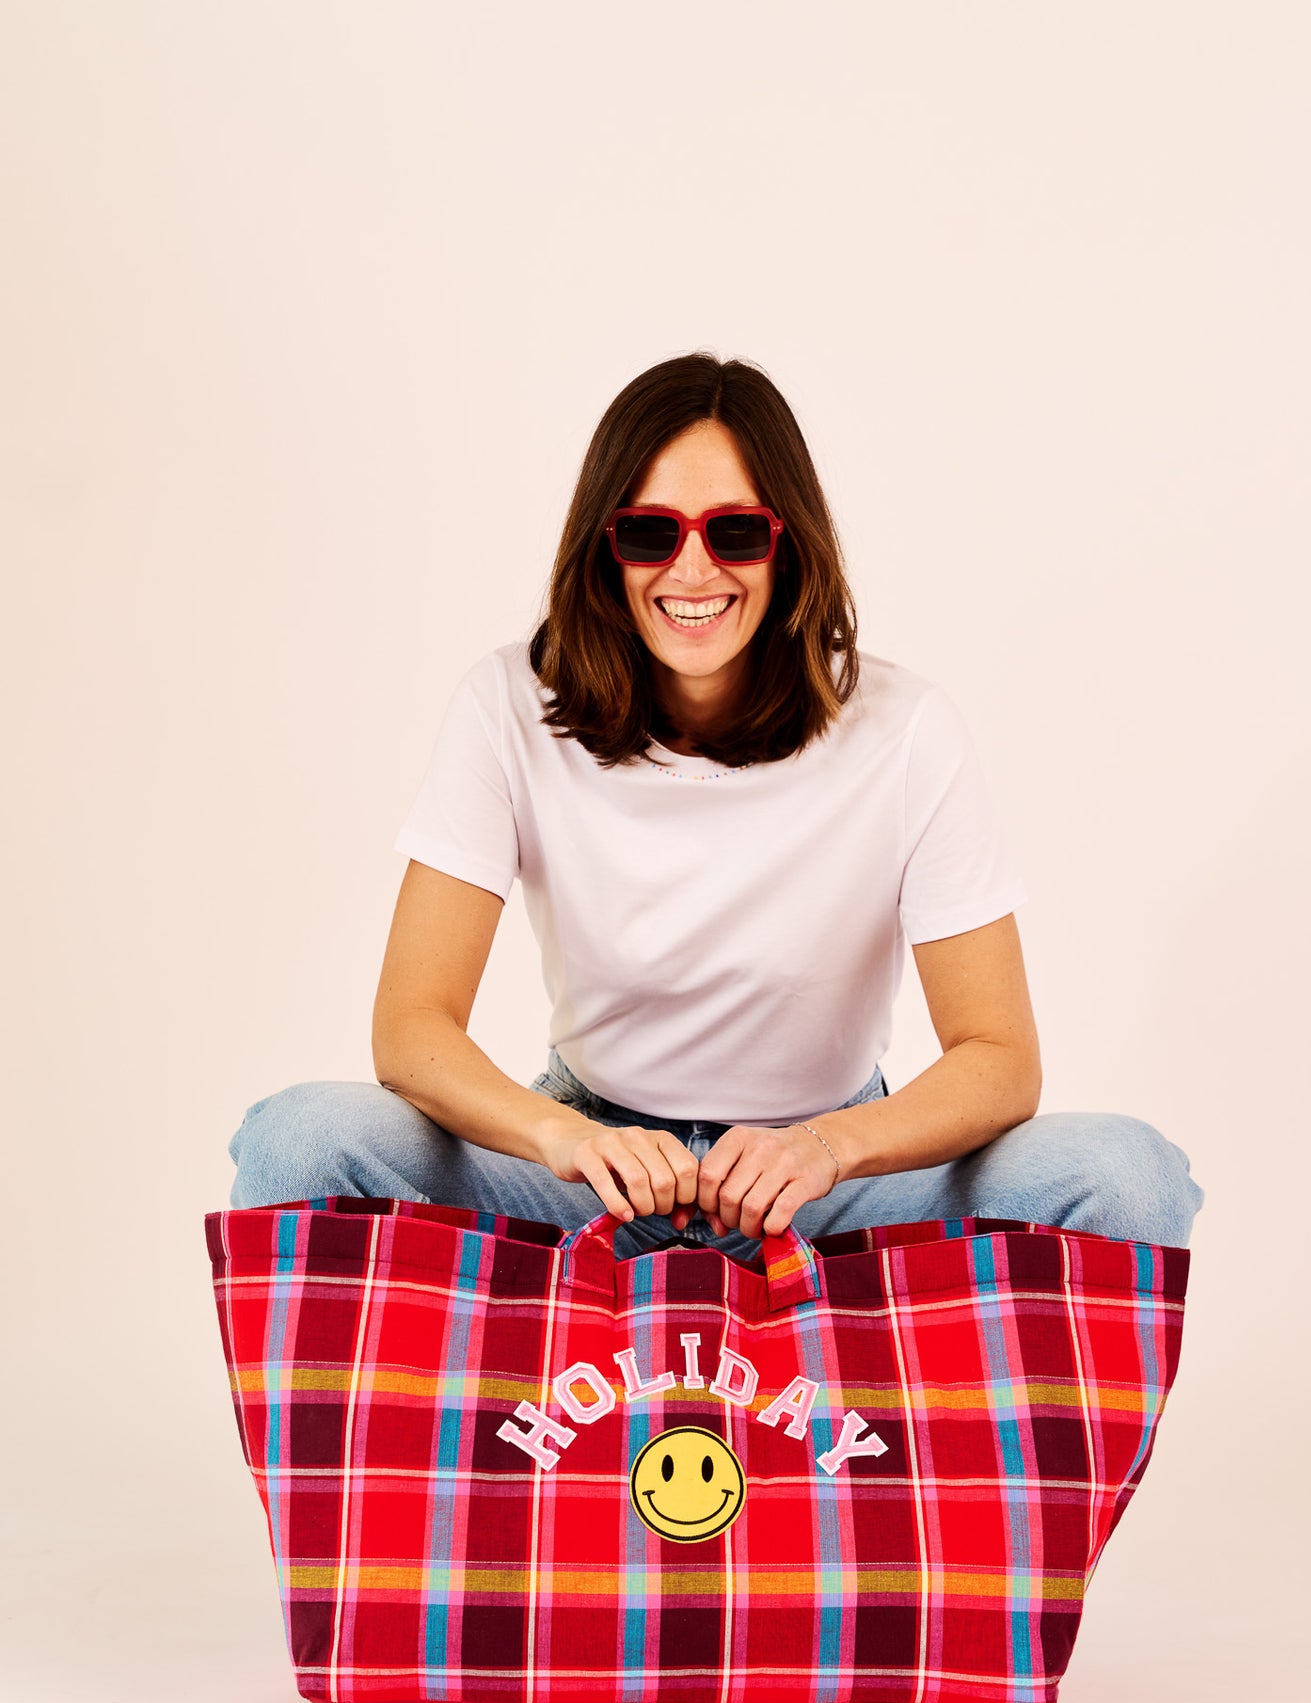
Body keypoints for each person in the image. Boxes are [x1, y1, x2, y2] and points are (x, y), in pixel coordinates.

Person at [228, 352, 1203, 1257]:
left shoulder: (905, 728)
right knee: (298, 1140)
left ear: (787, 545)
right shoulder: (507, 705)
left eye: (734, 531)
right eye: (650, 532)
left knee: (1124, 1178)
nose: (692, 571)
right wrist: (563, 1138)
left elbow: (998, 1055)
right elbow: (412, 1025)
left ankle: (873, 1379)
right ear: (605, 549)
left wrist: (825, 1148)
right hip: (586, 1173)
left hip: (827, 1179)